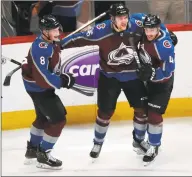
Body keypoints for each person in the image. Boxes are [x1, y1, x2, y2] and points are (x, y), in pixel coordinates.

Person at [60, 3, 150, 159]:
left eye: (125, 17)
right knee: (104, 113)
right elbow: (78, 38)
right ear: (111, 19)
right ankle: (98, 142)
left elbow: (155, 25)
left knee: (141, 110)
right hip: (109, 77)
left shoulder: (137, 24)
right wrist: (59, 45)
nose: (124, 21)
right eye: (120, 18)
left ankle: (139, 140)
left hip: (133, 75)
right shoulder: (100, 31)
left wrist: (168, 34)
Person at [21, 14, 75, 169]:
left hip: (35, 88)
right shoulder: (41, 48)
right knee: (58, 120)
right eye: (53, 29)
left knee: (42, 118)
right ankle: (43, 154)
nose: (57, 31)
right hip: (40, 89)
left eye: (57, 27)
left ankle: (32, 150)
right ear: (44, 32)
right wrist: (62, 81)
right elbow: (43, 77)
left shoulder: (48, 42)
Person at [135, 14, 176, 165]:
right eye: (147, 29)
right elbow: (139, 16)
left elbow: (169, 70)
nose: (149, 33)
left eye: (153, 29)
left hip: (162, 83)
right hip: (148, 81)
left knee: (153, 115)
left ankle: (154, 146)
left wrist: (152, 73)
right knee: (141, 110)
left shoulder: (164, 46)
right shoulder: (147, 31)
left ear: (158, 28)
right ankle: (138, 140)